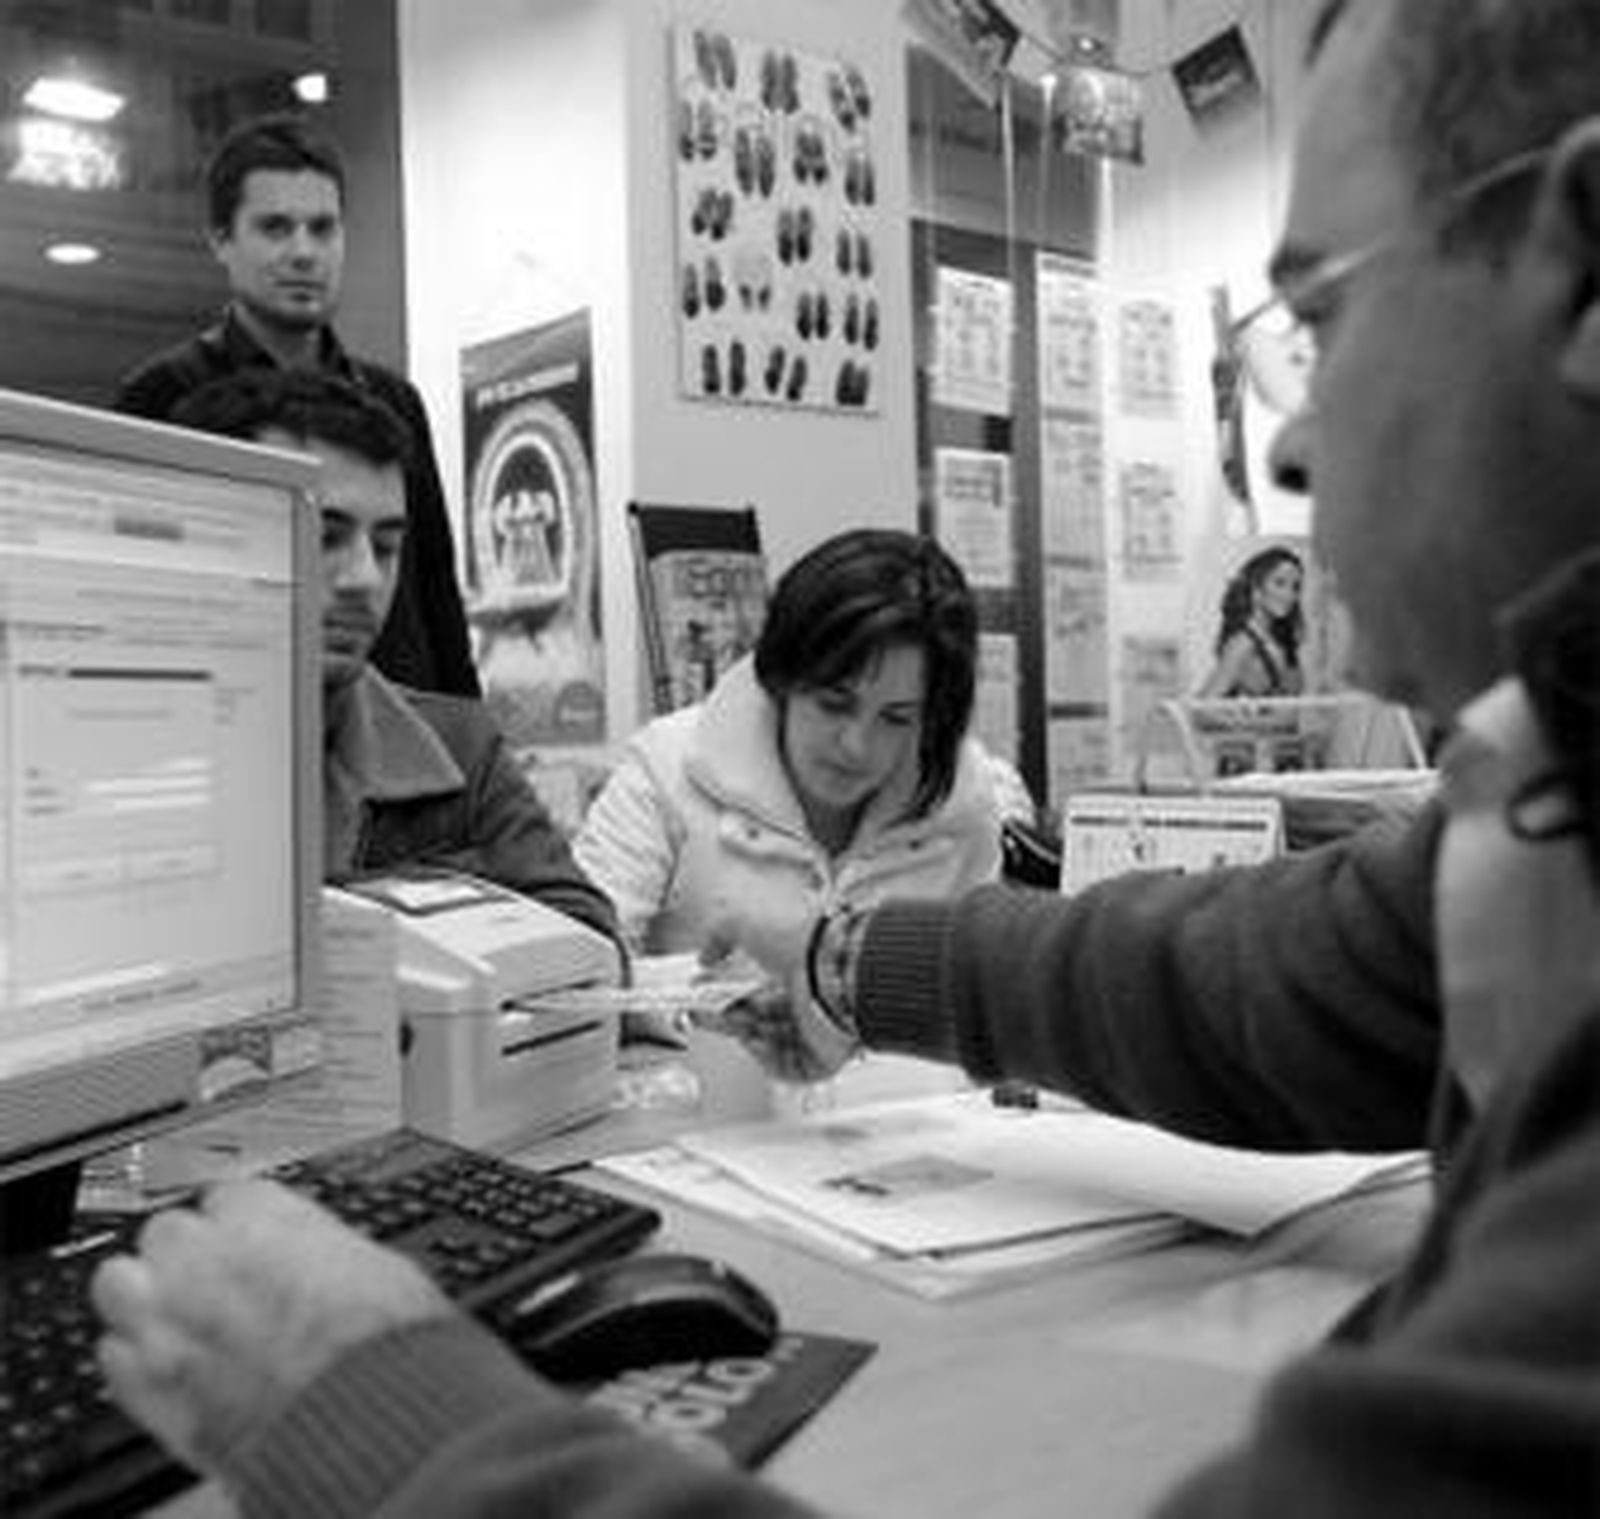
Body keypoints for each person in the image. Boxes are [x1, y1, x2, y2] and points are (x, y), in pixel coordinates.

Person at [88, 2, 1600, 1513]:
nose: (1287, 447)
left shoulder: (467, 743)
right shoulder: (1539, 811)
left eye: (1320, 316)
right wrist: (853, 960)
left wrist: (378, 1410)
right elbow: (1275, 971)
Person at [168, 368, 614, 939]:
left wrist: (373, 950)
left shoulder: (459, 748)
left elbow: (589, 935)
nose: (365, 578)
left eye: (385, 546)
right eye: (324, 538)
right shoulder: (105, 741)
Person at [114, 112, 479, 700]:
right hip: (233, 707)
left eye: (323, 228)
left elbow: (435, 592)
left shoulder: (394, 401)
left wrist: (466, 730)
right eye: (276, 228)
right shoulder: (162, 395)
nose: (304, 252)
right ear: (221, 239)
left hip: (399, 716)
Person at [573, 528, 1002, 971]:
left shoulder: (964, 805)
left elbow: (976, 989)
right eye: (834, 704)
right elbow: (580, 968)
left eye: (896, 719)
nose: (856, 746)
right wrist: (723, 987)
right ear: (782, 677)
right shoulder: (665, 767)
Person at [1195, 544, 1306, 699]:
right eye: (1279, 583)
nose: (1289, 595)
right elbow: (1202, 706)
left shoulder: (1280, 641)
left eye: (1296, 587)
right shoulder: (1242, 645)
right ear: (1256, 589)